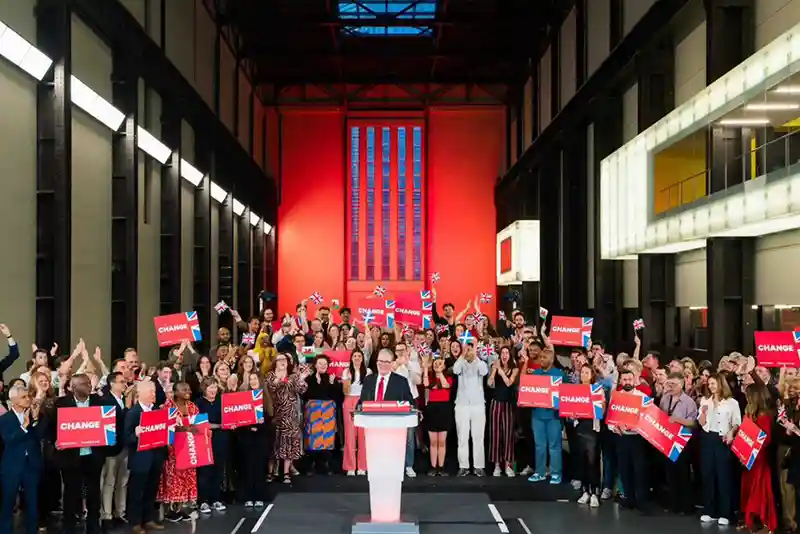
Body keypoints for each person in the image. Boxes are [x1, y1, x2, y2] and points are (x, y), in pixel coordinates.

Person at [52, 374, 107, 534]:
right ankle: (68, 525)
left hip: (93, 455)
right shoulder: (61, 404)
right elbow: (51, 428)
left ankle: (93, 525)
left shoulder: (99, 402)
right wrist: (55, 441)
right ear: (73, 387)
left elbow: (108, 424)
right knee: (71, 493)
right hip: (70, 457)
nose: (89, 386)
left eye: (89, 383)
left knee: (94, 493)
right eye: (84, 384)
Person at [0, 383, 44, 534]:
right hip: (11, 466)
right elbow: (9, 440)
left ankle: (32, 530)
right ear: (14, 401)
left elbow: (40, 436)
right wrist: (24, 427)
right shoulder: (4, 419)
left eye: (28, 396)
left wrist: (36, 419)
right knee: (8, 502)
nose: (28, 400)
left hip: (31, 465)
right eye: (24, 397)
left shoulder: (33, 414)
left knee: (32, 502)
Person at [699, 373, 741, 526]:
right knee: (708, 475)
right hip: (708, 438)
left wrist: (731, 432)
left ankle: (725, 512)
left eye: (714, 383)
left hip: (723, 440)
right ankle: (710, 510)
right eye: (709, 384)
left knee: (723, 476)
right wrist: (703, 412)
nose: (711, 386)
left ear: (721, 384)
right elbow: (701, 422)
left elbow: (737, 423)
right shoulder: (705, 401)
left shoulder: (732, 403)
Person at [125, 380, 167, 534]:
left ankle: (148, 519)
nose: (153, 395)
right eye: (150, 392)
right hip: (140, 460)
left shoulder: (157, 410)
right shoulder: (133, 413)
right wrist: (135, 435)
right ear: (140, 394)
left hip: (156, 456)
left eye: (154, 392)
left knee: (151, 489)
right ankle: (135, 522)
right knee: (137, 491)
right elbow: (126, 438)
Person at [157, 382, 201, 521]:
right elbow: (164, 427)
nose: (188, 391)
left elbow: (199, 425)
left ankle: (181, 508)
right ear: (175, 392)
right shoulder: (167, 407)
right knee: (173, 479)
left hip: (189, 448)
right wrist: (184, 429)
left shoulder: (193, 407)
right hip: (172, 450)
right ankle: (170, 510)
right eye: (184, 389)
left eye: (189, 389)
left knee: (187, 478)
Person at [609, 369, 649, 513]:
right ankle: (629, 499)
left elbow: (648, 419)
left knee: (639, 471)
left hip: (637, 439)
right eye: (624, 379)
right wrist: (613, 427)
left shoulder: (642, 397)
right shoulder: (616, 396)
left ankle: (641, 501)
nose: (627, 382)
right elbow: (610, 417)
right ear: (620, 381)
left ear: (634, 380)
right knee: (624, 469)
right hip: (622, 437)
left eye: (629, 379)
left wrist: (636, 427)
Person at [739, 384, 777, 533]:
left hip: (758, 458)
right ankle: (751, 522)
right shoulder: (749, 413)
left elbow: (765, 440)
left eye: (748, 395)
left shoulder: (763, 416)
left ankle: (765, 524)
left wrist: (751, 450)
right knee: (748, 488)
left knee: (759, 490)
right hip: (747, 457)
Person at [659, 371, 697, 515]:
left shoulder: (689, 402)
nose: (670, 386)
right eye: (668, 383)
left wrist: (677, 420)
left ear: (681, 385)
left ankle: (686, 506)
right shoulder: (664, 399)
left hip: (682, 441)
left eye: (673, 384)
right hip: (667, 440)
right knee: (670, 474)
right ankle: (673, 504)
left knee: (683, 475)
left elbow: (694, 423)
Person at [266, 353, 309, 483]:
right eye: (279, 360)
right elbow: (271, 388)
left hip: (291, 415)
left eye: (284, 360)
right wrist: (279, 378)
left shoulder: (293, 376)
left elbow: (302, 390)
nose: (282, 362)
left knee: (289, 442)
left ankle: (286, 473)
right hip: (275, 413)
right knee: (274, 443)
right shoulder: (270, 375)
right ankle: (271, 472)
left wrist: (302, 378)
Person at [100, 371, 132, 529]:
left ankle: (121, 511)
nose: (124, 384)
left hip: (125, 446)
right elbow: (112, 422)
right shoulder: (106, 400)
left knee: (123, 481)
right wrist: (126, 409)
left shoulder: (125, 399)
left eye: (125, 381)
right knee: (110, 482)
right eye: (121, 381)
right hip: (112, 448)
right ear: (112, 384)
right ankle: (107, 514)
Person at [528, 347, 565, 484]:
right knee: (539, 445)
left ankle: (555, 473)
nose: (541, 360)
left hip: (553, 416)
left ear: (551, 359)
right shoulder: (535, 374)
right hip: (537, 415)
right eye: (540, 358)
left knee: (554, 446)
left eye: (544, 358)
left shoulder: (559, 375)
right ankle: (540, 472)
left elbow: (566, 394)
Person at [195, 377, 229, 513]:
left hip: (220, 439)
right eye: (210, 387)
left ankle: (216, 499)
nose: (213, 390)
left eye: (215, 387)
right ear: (204, 388)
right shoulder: (199, 403)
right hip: (204, 440)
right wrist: (218, 425)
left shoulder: (222, 401)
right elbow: (200, 424)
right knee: (205, 471)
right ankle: (203, 500)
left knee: (218, 470)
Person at [303, 354, 340, 474]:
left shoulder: (331, 378)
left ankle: (326, 464)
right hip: (313, 413)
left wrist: (332, 384)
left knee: (327, 439)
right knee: (313, 438)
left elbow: (336, 397)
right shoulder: (309, 379)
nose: (323, 366)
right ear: (315, 365)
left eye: (325, 364)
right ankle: (311, 465)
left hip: (327, 413)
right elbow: (305, 395)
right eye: (320, 364)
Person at [487, 346, 518, 478]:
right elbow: (489, 383)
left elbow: (509, 383)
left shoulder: (514, 369)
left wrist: (500, 370)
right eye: (502, 353)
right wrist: (494, 371)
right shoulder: (495, 367)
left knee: (507, 435)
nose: (504, 355)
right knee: (495, 435)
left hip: (508, 404)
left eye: (507, 353)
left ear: (510, 355)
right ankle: (497, 465)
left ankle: (508, 465)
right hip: (495, 403)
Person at [422, 356, 454, 475]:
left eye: (440, 363)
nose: (437, 365)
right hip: (432, 409)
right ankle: (432, 466)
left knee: (442, 441)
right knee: (433, 441)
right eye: (435, 363)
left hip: (444, 409)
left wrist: (440, 373)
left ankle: (441, 467)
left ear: (445, 366)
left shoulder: (448, 377)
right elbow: (425, 384)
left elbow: (446, 385)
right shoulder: (430, 377)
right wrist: (426, 368)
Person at [341, 349, 370, 476]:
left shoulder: (368, 372)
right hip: (349, 400)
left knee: (363, 435)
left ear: (362, 358)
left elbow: (369, 390)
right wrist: (346, 380)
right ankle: (350, 466)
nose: (357, 358)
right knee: (350, 434)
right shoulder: (346, 371)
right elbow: (345, 391)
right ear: (351, 358)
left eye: (359, 356)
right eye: (355, 356)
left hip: (363, 401)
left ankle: (362, 466)